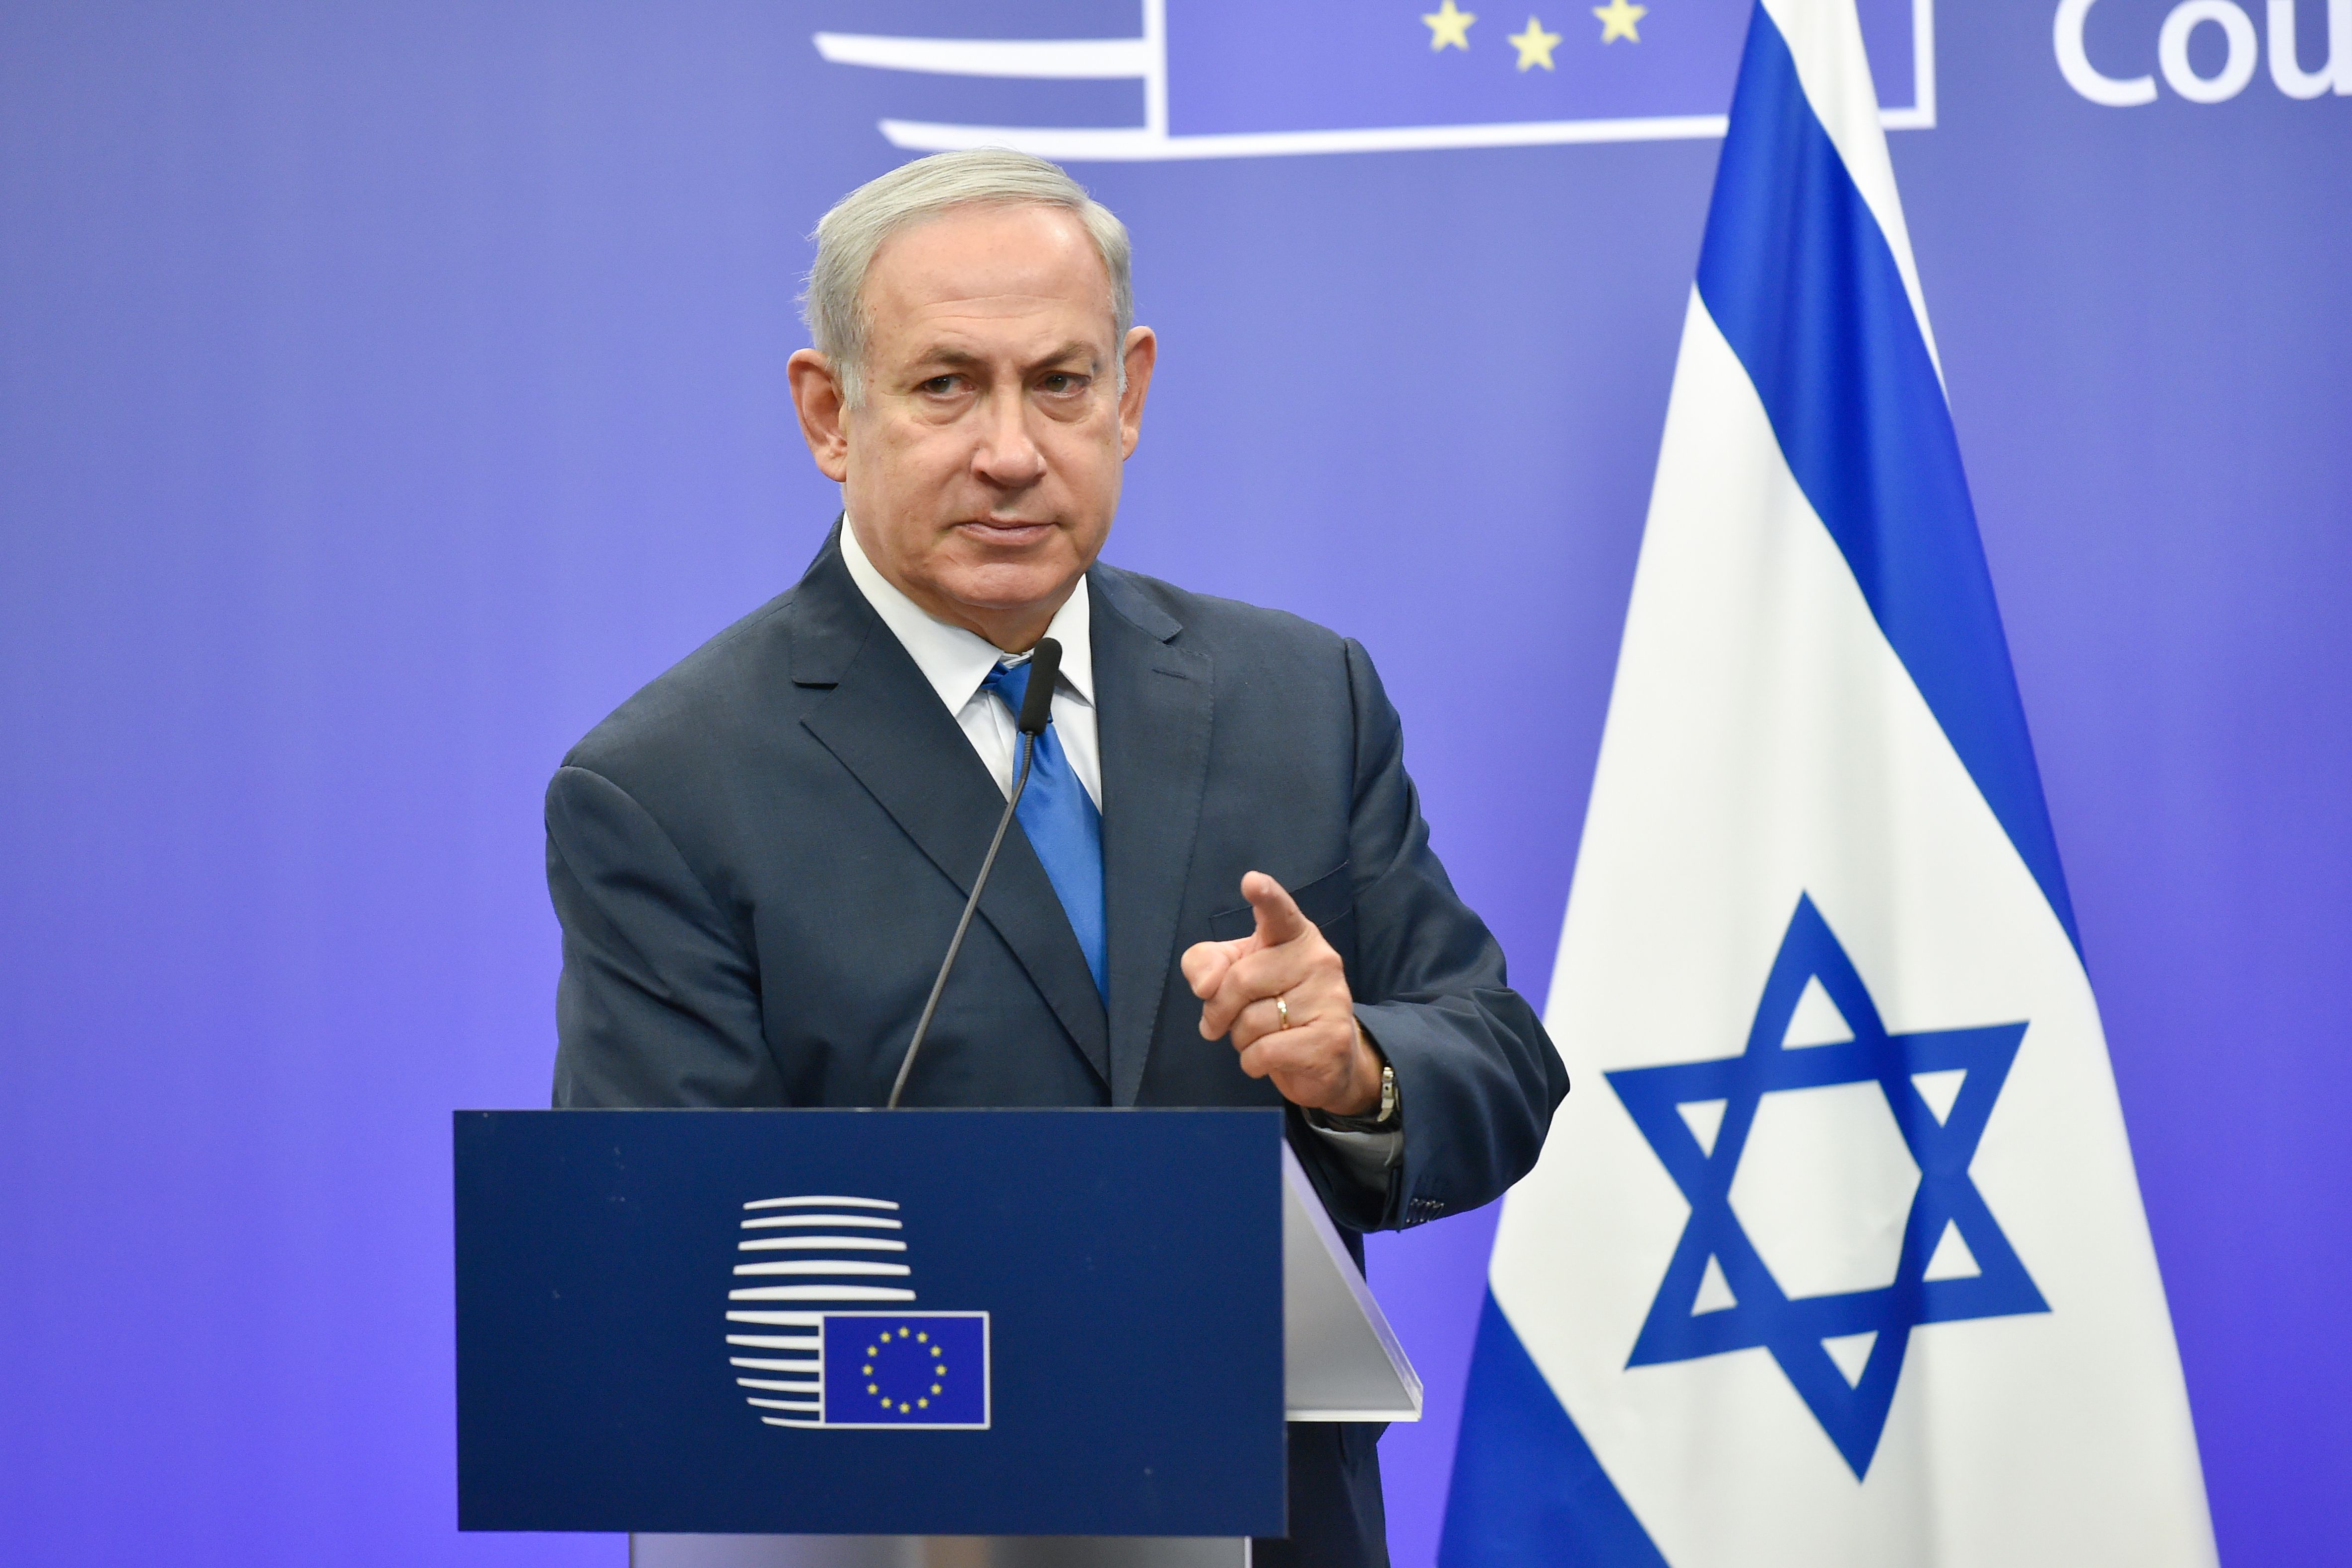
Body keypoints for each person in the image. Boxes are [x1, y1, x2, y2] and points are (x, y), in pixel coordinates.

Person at [546, 149, 1567, 1568]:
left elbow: (1500, 1064)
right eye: (946, 384)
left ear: (1131, 393)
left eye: (1062, 383)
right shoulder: (665, 784)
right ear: (830, 413)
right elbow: (672, 1257)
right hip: (908, 1537)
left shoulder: (1297, 693)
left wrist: (1359, 1072)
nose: (1012, 449)